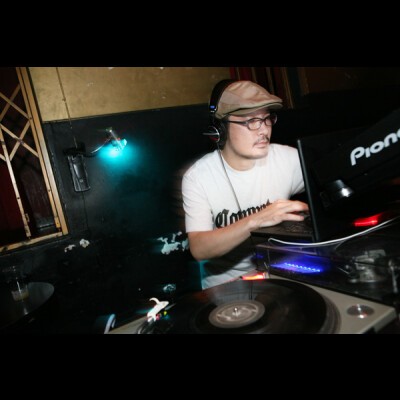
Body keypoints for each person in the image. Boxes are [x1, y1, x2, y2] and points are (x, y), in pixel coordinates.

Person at [182, 80, 309, 289]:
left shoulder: (289, 159)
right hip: (226, 286)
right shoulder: (198, 177)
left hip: (281, 271)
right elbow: (199, 249)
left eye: (267, 119)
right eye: (251, 121)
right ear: (221, 128)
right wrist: (256, 220)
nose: (264, 130)